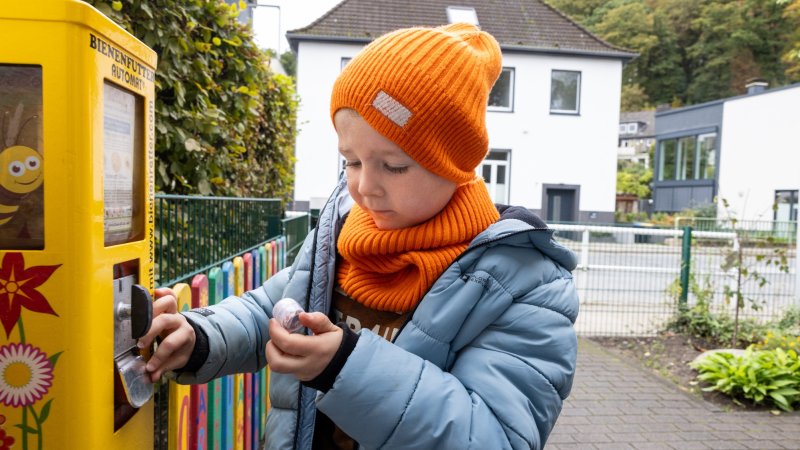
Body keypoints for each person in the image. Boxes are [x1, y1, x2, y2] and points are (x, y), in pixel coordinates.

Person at [140, 22, 579, 450]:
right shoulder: (345, 233)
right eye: (351, 161)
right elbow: (272, 312)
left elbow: (497, 435)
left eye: (395, 165)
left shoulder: (524, 283)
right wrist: (200, 337)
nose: (365, 187)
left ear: (455, 164)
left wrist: (346, 367)